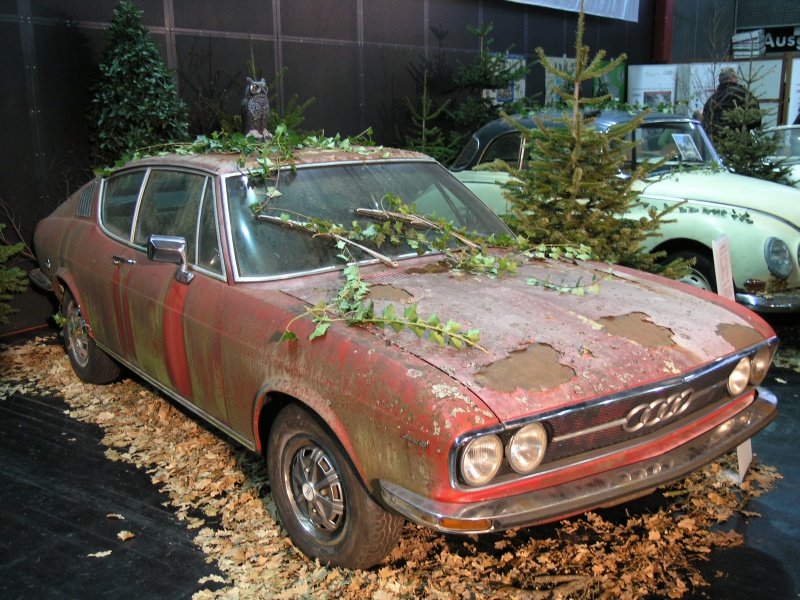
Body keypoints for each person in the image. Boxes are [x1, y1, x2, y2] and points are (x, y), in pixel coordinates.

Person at [701, 68, 761, 141]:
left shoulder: (711, 100)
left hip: (716, 142)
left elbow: (705, 123)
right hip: (739, 140)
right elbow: (755, 115)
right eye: (737, 77)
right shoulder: (743, 94)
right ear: (731, 77)